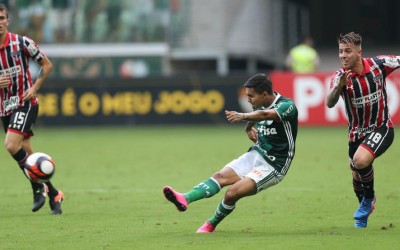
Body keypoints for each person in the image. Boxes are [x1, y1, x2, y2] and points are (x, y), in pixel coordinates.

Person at [163, 73, 298, 233]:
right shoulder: (260, 104)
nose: (248, 99)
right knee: (219, 177)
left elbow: (265, 115)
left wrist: (241, 116)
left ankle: (211, 224)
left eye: (251, 96)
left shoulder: (287, 105)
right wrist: (248, 127)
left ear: (264, 94)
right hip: (256, 153)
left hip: (274, 165)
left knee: (232, 193)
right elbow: (259, 113)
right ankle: (185, 198)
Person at [326, 32, 398, 228]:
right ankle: (363, 214)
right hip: (356, 134)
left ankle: (368, 199)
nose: (343, 56)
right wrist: (337, 88)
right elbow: (329, 103)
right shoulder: (339, 77)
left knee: (360, 160)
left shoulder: (379, 65)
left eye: (348, 51)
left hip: (382, 128)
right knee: (356, 173)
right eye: (341, 51)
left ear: (359, 52)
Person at [0, 4, 64, 215]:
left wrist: (34, 88)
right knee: (25, 151)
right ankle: (53, 192)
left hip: (25, 103)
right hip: (5, 108)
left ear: (7, 20)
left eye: (1, 18)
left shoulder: (22, 43)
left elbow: (47, 65)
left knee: (11, 145)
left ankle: (37, 187)